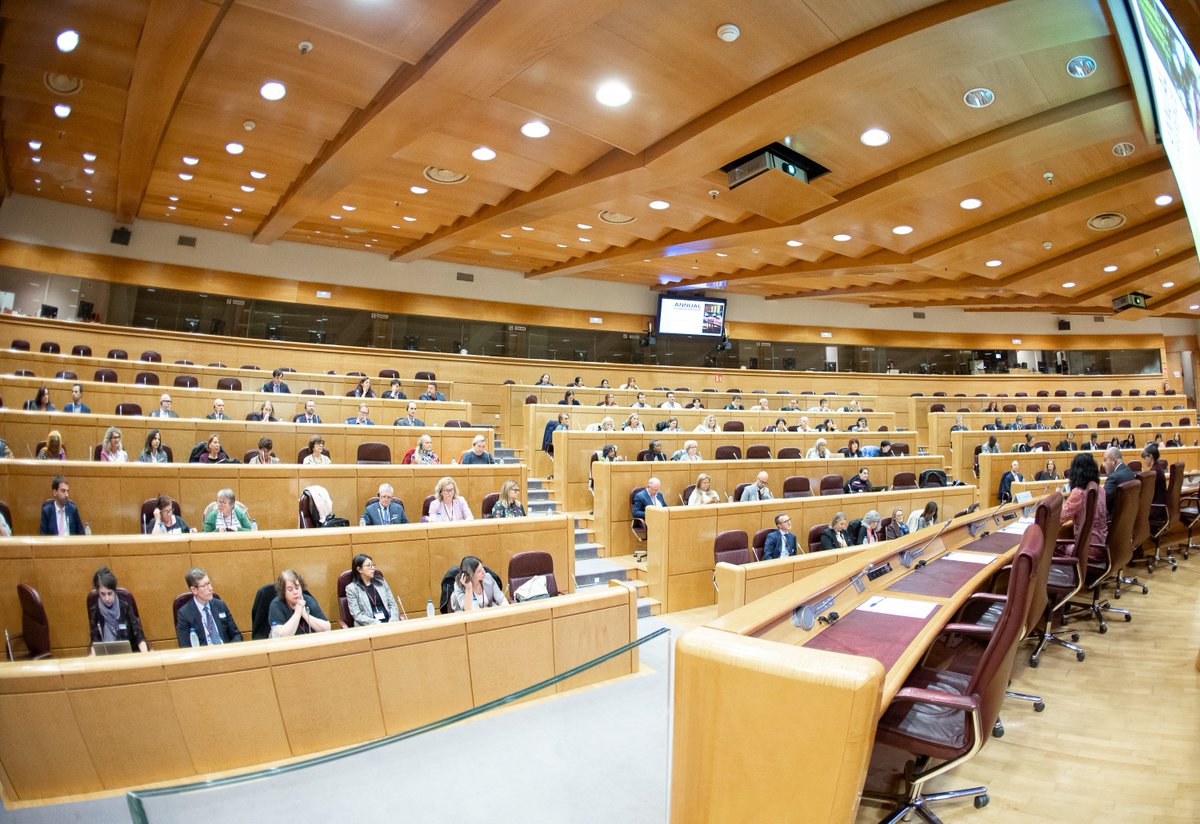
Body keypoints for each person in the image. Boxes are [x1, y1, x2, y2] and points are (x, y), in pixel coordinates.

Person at [175, 567, 242, 647]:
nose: (210, 588)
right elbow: (185, 647)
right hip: (204, 653)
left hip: (225, 650)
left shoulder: (220, 605)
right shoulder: (184, 614)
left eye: (209, 583)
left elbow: (237, 635)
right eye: (205, 586)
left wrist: (229, 650)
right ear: (194, 590)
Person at [88, 566, 148, 653]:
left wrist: (145, 654)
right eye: (103, 594)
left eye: (109, 593)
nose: (107, 598)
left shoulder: (125, 606)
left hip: (130, 654)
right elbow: (95, 641)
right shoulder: (95, 611)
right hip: (106, 656)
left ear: (114, 590)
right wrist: (93, 659)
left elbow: (139, 636)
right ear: (98, 592)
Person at [1061, 452, 1108, 561]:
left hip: (1088, 549)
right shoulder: (1101, 489)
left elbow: (1059, 519)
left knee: (1051, 549)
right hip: (1103, 545)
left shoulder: (1079, 493)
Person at [268, 569, 331, 637]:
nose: (295, 592)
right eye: (290, 590)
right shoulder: (276, 605)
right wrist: (297, 613)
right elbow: (281, 636)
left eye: (297, 587)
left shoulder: (308, 600)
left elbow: (327, 628)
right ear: (283, 591)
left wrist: (304, 614)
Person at [345, 553, 402, 625]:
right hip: (369, 626)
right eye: (368, 565)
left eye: (372, 565)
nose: (372, 568)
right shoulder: (352, 589)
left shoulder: (381, 582)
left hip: (389, 623)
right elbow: (357, 615)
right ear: (359, 569)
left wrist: (392, 621)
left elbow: (393, 605)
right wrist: (377, 623)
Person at [1102, 446, 1134, 519]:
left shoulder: (1113, 478)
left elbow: (1101, 502)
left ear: (1113, 461)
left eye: (1105, 460)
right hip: (1128, 519)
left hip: (1114, 520)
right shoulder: (1129, 471)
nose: (1103, 464)